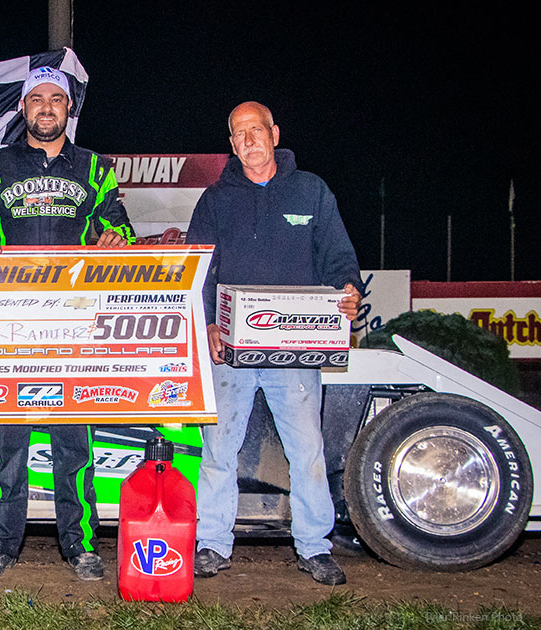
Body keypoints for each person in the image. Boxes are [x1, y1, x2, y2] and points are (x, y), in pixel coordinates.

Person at [0, 67, 135, 581]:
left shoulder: (95, 169)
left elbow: (118, 225)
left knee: (74, 444)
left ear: (68, 108)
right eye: (37, 100)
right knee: (4, 445)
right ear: (23, 109)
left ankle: (80, 546)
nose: (47, 108)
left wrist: (116, 237)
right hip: (6, 328)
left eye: (57, 99)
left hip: (72, 329)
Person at [185, 101, 361, 586]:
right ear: (232, 143)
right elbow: (199, 272)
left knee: (306, 450)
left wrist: (349, 289)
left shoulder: (312, 191)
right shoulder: (216, 199)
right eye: (238, 134)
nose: (248, 140)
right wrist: (208, 326)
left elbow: (340, 258)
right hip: (232, 353)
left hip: (296, 352)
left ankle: (315, 546)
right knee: (218, 451)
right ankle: (213, 543)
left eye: (255, 130)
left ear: (274, 133)